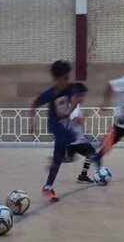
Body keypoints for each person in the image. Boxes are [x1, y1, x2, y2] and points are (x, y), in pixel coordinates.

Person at [29, 61, 96, 201]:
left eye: (68, 78)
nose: (67, 81)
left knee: (58, 158)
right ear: (56, 79)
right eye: (64, 79)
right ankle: (66, 156)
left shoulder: (70, 88)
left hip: (65, 126)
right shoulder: (49, 94)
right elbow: (34, 105)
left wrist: (68, 111)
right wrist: (32, 124)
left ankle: (48, 186)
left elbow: (76, 100)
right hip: (55, 126)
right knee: (70, 137)